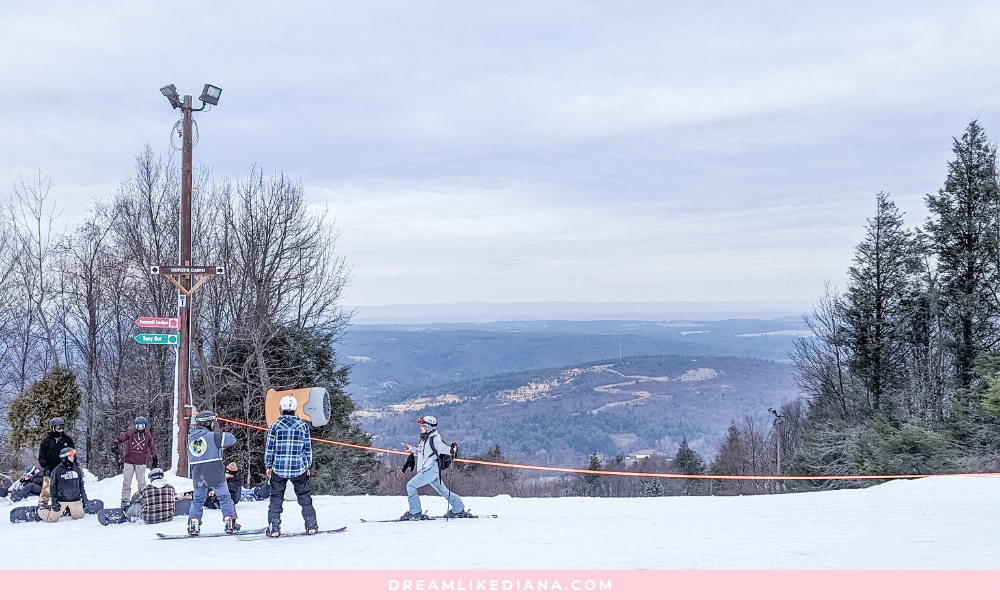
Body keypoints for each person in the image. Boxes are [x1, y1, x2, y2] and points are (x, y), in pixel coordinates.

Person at [263, 395, 317, 537]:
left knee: (276, 498)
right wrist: (307, 465)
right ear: (294, 409)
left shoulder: (275, 425)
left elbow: (270, 448)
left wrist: (268, 465)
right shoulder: (302, 425)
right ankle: (311, 524)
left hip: (279, 468)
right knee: (304, 497)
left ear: (281, 409)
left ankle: (274, 526)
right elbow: (307, 448)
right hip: (298, 467)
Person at [400, 415, 471, 520]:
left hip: (429, 470)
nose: (420, 427)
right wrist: (412, 449)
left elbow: (441, 448)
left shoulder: (434, 438)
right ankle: (458, 508)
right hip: (432, 470)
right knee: (443, 491)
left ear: (428, 427)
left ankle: (415, 512)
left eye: (423, 426)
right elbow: (423, 452)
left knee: (410, 486)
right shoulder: (425, 438)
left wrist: (451, 450)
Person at [186, 410, 239, 536]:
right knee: (225, 497)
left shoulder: (190, 438)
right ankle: (230, 521)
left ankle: (194, 522)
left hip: (198, 472)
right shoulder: (214, 437)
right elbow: (231, 439)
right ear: (208, 423)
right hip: (214, 470)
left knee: (198, 500)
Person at [39, 447, 88, 522]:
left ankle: (69, 509)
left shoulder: (77, 469)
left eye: (73, 456)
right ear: (64, 457)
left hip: (75, 500)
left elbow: (81, 485)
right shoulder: (57, 471)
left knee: (79, 517)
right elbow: (53, 488)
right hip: (61, 501)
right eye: (70, 456)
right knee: (52, 519)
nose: (72, 458)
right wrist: (54, 502)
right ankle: (41, 510)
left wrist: (84, 498)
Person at [118, 416, 157, 510]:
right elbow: (122, 438)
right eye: (138, 425)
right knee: (127, 482)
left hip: (141, 462)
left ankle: (142, 498)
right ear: (135, 426)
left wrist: (154, 457)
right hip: (129, 461)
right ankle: (125, 500)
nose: (140, 428)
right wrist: (116, 443)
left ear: (145, 426)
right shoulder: (131, 434)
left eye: (142, 425)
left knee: (141, 483)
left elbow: (152, 447)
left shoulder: (147, 436)